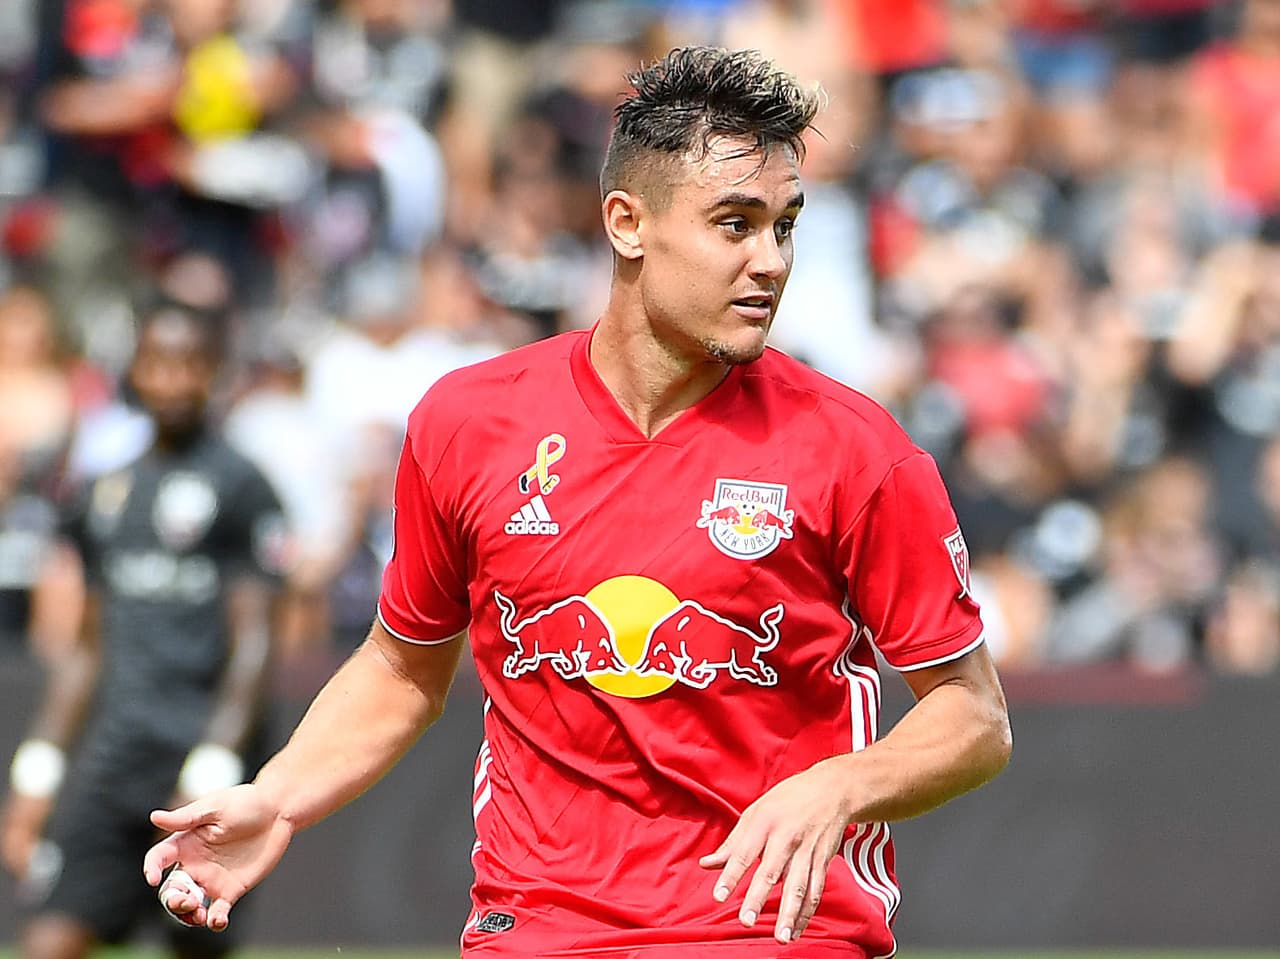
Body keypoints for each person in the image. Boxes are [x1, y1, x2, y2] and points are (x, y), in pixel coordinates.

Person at [145, 46, 1012, 958]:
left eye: (784, 225)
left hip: (765, 930)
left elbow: (973, 713)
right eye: (734, 223)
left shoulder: (856, 448)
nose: (770, 261)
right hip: (535, 928)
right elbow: (403, 669)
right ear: (627, 223)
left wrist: (844, 783)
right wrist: (277, 795)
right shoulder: (466, 423)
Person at [2, 306, 287, 959]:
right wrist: (36, 774)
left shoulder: (242, 485)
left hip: (202, 761)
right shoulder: (106, 492)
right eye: (159, 362)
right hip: (118, 753)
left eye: (190, 363)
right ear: (137, 371)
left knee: (192, 945)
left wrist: (214, 763)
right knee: (49, 938)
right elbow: (86, 649)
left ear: (213, 373)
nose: (174, 380)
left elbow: (255, 642)